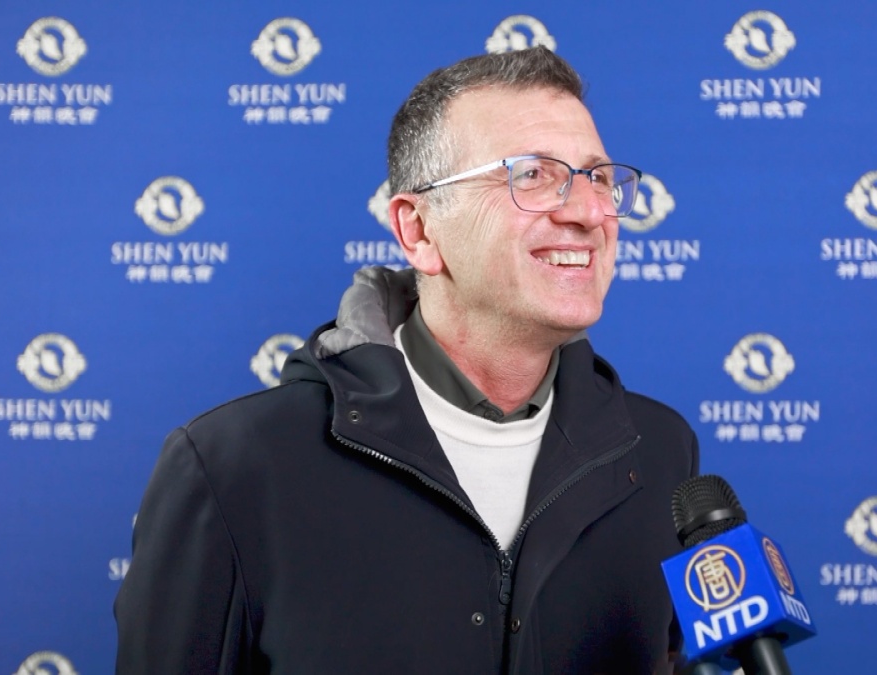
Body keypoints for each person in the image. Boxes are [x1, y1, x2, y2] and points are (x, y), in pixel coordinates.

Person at [115, 46, 698, 674]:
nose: (588, 212)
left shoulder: (660, 452)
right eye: (532, 174)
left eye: (599, 178)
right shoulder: (232, 466)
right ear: (417, 230)